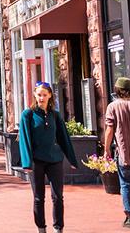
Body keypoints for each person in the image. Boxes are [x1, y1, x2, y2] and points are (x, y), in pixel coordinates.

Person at [19, 82, 78, 233]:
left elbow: (64, 137)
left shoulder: (55, 115)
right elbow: (25, 140)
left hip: (55, 159)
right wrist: (27, 163)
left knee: (58, 196)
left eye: (45, 95)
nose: (42, 98)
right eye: (39, 95)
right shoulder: (28, 115)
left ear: (50, 95)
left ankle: (58, 228)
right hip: (36, 161)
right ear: (34, 95)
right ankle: (41, 228)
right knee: (39, 197)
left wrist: (72, 159)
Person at [104, 76, 130, 228]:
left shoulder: (113, 107)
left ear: (117, 90)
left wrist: (107, 149)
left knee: (125, 184)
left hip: (124, 153)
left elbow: (109, 130)